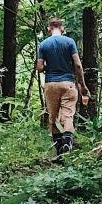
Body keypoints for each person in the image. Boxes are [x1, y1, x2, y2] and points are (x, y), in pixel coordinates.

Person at [35, 18, 90, 157]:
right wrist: (82, 85)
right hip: (68, 83)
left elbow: (40, 68)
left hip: (51, 84)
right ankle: (67, 143)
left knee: (53, 118)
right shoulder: (70, 42)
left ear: (49, 29)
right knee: (68, 116)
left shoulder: (43, 44)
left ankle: (59, 151)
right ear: (62, 29)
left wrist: (50, 67)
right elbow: (78, 65)